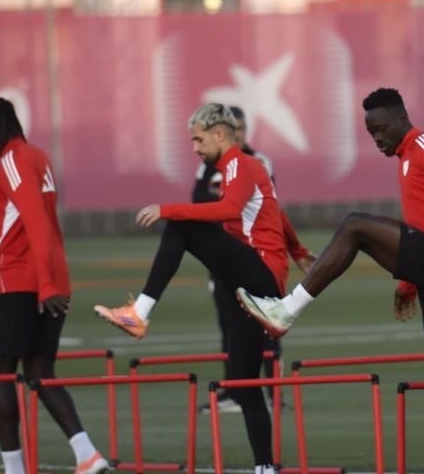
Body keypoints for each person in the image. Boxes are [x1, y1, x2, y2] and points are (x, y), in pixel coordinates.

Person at [236, 88, 424, 474]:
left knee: (355, 226)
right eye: (371, 133)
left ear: (402, 119)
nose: (377, 138)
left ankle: (286, 310)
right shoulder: (404, 158)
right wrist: (409, 282)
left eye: (382, 129)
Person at [93, 103, 284, 474]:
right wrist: (298, 249)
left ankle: (140, 313)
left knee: (178, 225)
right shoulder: (230, 167)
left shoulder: (239, 163)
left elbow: (229, 209)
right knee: (245, 382)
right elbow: (277, 214)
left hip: (257, 273)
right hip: (244, 279)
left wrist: (168, 208)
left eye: (198, 139)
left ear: (219, 134)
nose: (194, 147)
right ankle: (266, 468)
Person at [0, 97, 108, 474]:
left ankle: (15, 470)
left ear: (5, 126)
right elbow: (22, 217)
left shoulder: (13, 161)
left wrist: (44, 286)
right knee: (39, 373)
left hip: (20, 281)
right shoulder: (34, 157)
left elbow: (34, 219)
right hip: (50, 278)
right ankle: (87, 454)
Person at [195, 106, 316, 414]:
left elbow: (269, 210)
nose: (238, 135)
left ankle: (273, 392)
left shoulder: (256, 163)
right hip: (223, 258)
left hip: (255, 260)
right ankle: (234, 390)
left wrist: (297, 250)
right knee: (230, 327)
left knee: (267, 326)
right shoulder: (208, 165)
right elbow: (198, 203)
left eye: (242, 129)